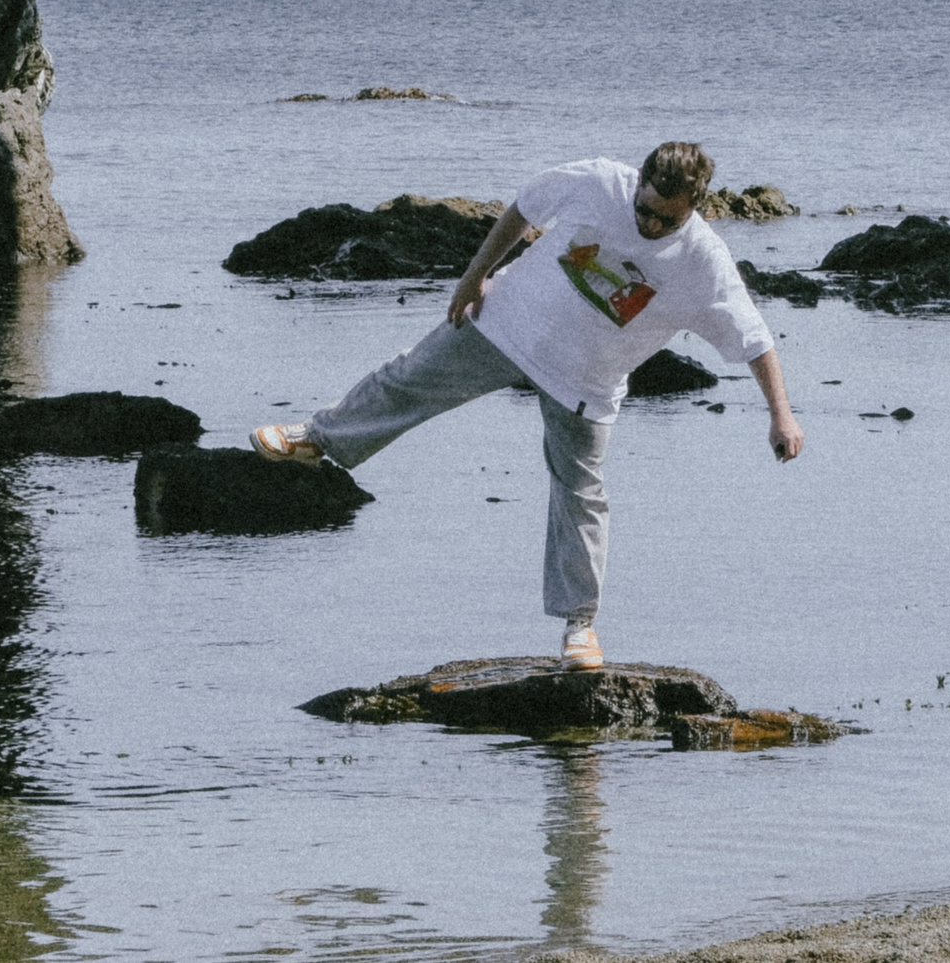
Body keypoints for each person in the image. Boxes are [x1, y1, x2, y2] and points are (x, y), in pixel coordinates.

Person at [252, 142, 804, 670]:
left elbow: (755, 339)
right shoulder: (597, 183)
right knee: (408, 378)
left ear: (695, 210)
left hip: (585, 384)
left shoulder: (703, 261)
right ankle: (318, 438)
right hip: (508, 325)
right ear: (638, 183)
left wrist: (781, 414)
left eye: (668, 220)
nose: (651, 226)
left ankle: (580, 626)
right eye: (646, 212)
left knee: (580, 494)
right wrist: (474, 277)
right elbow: (523, 208)